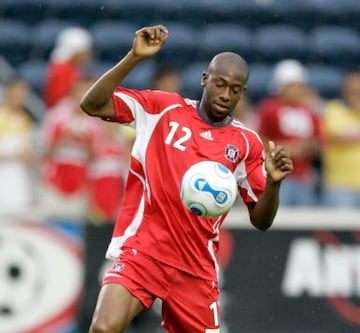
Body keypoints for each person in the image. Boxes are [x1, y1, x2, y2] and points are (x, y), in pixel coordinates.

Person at [80, 25, 293, 333]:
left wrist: (273, 184)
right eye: (220, 84)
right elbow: (92, 104)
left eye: (235, 89)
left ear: (243, 93)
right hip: (145, 250)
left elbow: (261, 220)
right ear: (204, 79)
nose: (225, 95)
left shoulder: (247, 143)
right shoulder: (162, 109)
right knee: (103, 327)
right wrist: (133, 57)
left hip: (196, 266)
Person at [257, 59, 323, 206]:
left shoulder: (310, 109)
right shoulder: (269, 108)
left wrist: (302, 148)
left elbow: (318, 142)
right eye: (294, 86)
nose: (298, 90)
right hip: (278, 176)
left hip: (304, 177)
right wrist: (285, 150)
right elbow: (260, 140)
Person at [321, 70, 360, 207]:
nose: (355, 95)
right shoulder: (333, 109)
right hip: (339, 185)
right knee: (339, 228)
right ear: (344, 91)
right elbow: (337, 137)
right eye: (352, 91)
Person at [0, 79, 38, 213]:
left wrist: (29, 156)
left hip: (20, 179)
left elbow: (30, 152)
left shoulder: (25, 120)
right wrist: (15, 154)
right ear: (7, 94)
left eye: (23, 94)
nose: (20, 98)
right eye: (16, 94)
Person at [43, 27, 93, 108]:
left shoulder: (73, 67)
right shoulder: (62, 70)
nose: (87, 55)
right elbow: (58, 99)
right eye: (84, 52)